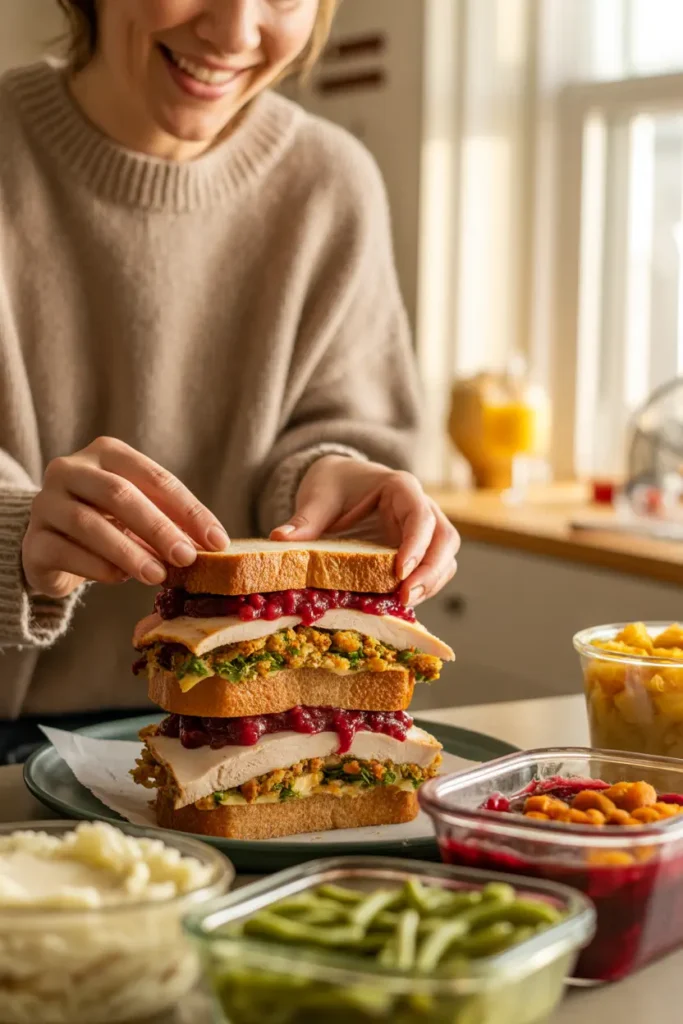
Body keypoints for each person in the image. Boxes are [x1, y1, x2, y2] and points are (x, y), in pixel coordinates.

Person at [0, 0, 459, 763]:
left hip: (268, 740)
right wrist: (16, 537)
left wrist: (333, 477)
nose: (236, 32)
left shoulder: (332, 184)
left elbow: (329, 429)